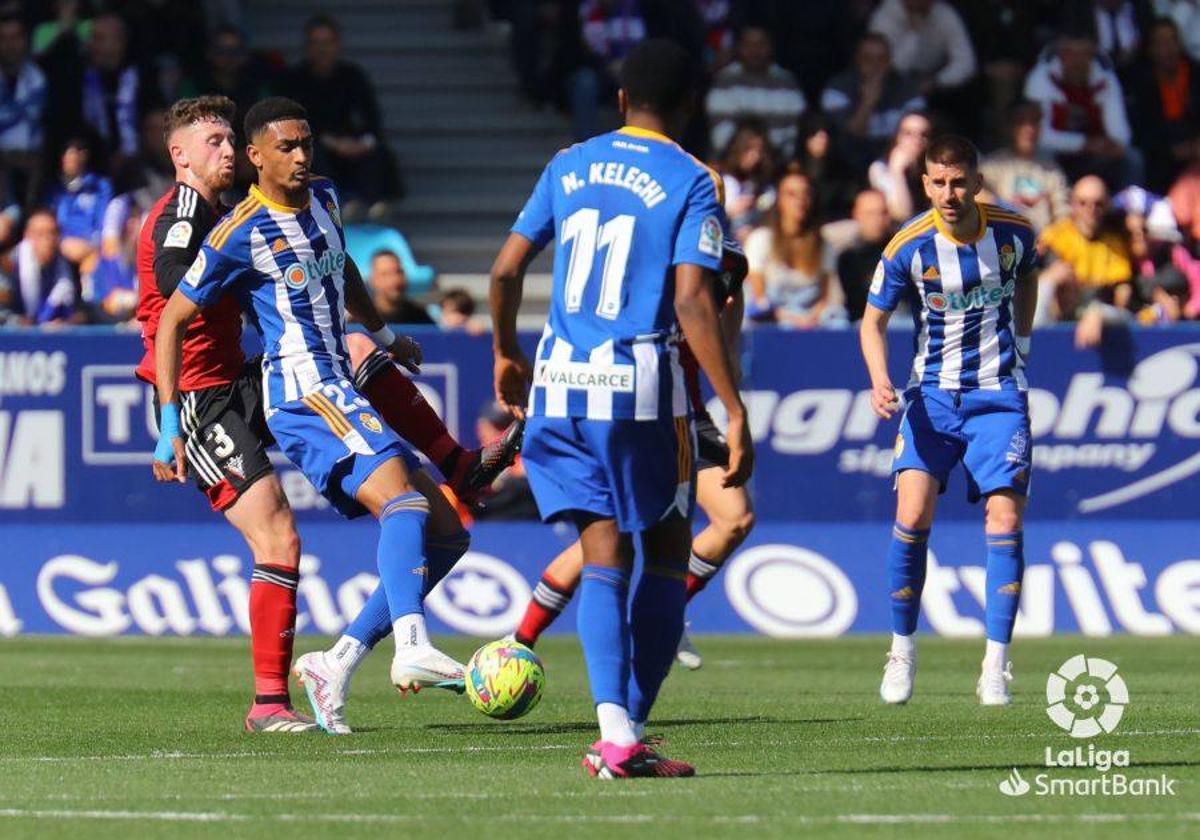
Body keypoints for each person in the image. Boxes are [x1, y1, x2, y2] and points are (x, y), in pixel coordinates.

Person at [148, 97, 518, 735]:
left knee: (446, 536)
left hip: (320, 379)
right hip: (293, 390)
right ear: (257, 156)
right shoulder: (231, 229)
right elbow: (172, 311)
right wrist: (167, 422)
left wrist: (385, 332)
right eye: (283, 147)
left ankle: (336, 663)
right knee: (393, 503)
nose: (298, 156)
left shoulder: (323, 197)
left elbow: (338, 263)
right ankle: (408, 646)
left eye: (306, 144)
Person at [490, 40, 752, 778]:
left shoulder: (567, 163)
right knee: (667, 553)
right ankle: (628, 729)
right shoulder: (693, 177)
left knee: (604, 554)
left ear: (619, 101)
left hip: (559, 382)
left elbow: (507, 268)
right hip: (640, 387)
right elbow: (695, 297)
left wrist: (505, 352)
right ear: (693, 105)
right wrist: (732, 406)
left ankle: (615, 737)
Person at [511, 236, 754, 672]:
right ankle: (518, 640)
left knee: (735, 517)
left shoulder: (732, 260)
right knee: (607, 536)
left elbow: (731, 297)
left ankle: (670, 611)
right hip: (632, 406)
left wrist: (730, 349)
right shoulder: (648, 242)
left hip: (688, 413)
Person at [860, 135, 1038, 707]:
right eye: (937, 182)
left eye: (958, 181)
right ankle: (902, 650)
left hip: (999, 395)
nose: (948, 193)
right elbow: (872, 321)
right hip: (931, 395)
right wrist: (878, 378)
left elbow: (1029, 275)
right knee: (911, 514)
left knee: (1004, 521)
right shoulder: (908, 245)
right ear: (925, 185)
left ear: (978, 183)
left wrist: (1026, 341)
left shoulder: (1014, 230)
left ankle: (994, 667)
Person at [282, 15, 401, 216]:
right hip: (315, 143)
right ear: (307, 47)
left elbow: (371, 116)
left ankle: (371, 206)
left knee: (377, 153)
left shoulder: (352, 75)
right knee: (312, 157)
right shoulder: (295, 79)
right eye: (316, 43)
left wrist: (363, 141)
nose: (322, 49)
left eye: (327, 42)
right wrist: (331, 142)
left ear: (337, 45)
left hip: (350, 141)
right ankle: (332, 206)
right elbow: (294, 121)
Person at [1022, 28, 1140, 187]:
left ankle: (1126, 206)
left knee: (1132, 158)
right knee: (1041, 155)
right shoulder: (1040, 79)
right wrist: (1084, 144)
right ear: (1060, 55)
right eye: (1070, 53)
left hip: (1095, 154)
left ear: (1092, 56)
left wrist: (1110, 146)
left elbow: (1121, 135)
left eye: (1084, 54)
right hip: (1056, 152)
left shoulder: (1105, 80)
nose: (1077, 61)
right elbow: (1040, 137)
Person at [745, 165, 841, 327]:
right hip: (772, 315)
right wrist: (790, 318)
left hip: (810, 315)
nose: (800, 200)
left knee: (838, 321)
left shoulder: (823, 245)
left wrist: (810, 318)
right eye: (791, 194)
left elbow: (826, 296)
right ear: (779, 200)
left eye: (806, 194)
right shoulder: (761, 239)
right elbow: (758, 295)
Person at [820, 33, 925, 172]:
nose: (875, 65)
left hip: (896, 160)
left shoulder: (907, 89)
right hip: (850, 165)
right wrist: (868, 102)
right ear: (857, 60)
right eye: (867, 59)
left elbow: (916, 132)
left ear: (889, 61)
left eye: (881, 59)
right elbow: (850, 135)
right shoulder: (837, 89)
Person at [1036, 175, 1133, 323]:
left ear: (1107, 205)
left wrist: (1102, 313)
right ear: (1073, 204)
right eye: (1083, 203)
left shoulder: (1116, 246)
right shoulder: (1053, 237)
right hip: (1057, 321)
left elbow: (1122, 296)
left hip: (1099, 321)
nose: (1091, 209)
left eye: (1098, 204)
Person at [705, 25, 806, 156]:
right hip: (732, 164)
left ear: (771, 47)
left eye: (761, 44)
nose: (755, 51)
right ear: (739, 47)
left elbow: (792, 135)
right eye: (749, 44)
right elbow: (721, 136)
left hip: (778, 164)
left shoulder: (787, 82)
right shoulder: (724, 80)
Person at [1128, 17, 1200, 194]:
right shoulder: (1139, 82)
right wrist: (1171, 150)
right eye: (1161, 43)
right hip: (1162, 154)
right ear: (1150, 49)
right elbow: (1139, 131)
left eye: (1172, 40)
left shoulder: (1196, 73)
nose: (1168, 49)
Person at [980, 101, 1071, 232]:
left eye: (1034, 122)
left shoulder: (1051, 167)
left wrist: (1051, 238)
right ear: (1008, 127)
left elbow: (1063, 214)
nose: (1029, 129)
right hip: (1004, 241)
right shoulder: (991, 166)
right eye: (1021, 123)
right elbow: (979, 201)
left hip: (1045, 244)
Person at [0, 15, 47, 212]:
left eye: (16, 37)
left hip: (32, 161)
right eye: (4, 38)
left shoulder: (39, 77)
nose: (10, 45)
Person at [1, 208, 79, 325]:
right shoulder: (8, 265)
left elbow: (77, 311)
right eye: (40, 234)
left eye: (53, 233)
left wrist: (65, 323)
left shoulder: (69, 264)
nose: (48, 239)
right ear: (27, 235)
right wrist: (18, 322)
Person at [47, 137, 112, 274]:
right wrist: (62, 241)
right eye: (66, 155)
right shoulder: (54, 190)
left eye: (74, 155)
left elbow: (104, 221)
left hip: (92, 248)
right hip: (61, 248)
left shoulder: (100, 186)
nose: (69, 160)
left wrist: (91, 246)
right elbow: (50, 222)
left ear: (84, 156)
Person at [837, 189, 893, 323]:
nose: (877, 219)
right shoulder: (847, 258)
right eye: (870, 214)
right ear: (856, 215)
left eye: (883, 213)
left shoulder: (901, 253)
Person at [713, 119, 776, 239]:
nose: (755, 156)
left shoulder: (763, 185)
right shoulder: (721, 180)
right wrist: (730, 212)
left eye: (759, 151)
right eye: (749, 150)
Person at [868, 110, 932, 223]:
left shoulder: (932, 168)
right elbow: (901, 214)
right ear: (897, 136)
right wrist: (897, 171)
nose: (916, 140)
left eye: (923, 134)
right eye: (908, 133)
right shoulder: (880, 168)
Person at [368, 250, 435, 325]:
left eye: (398, 272)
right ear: (373, 280)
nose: (395, 280)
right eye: (386, 274)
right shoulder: (362, 320)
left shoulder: (420, 318)